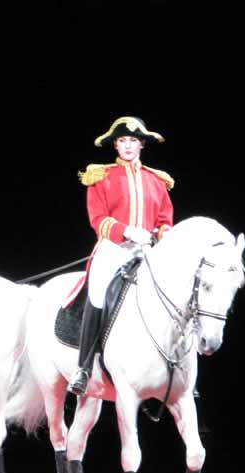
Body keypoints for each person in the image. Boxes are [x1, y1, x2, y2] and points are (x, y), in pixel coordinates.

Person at [67, 116, 175, 396]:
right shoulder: (101, 176)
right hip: (114, 249)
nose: (128, 146)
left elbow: (166, 220)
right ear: (116, 144)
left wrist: (158, 234)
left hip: (147, 251)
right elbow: (98, 219)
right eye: (123, 141)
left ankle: (177, 366)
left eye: (133, 141)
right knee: (98, 292)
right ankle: (83, 367)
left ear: (141, 145)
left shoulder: (156, 180)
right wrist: (126, 231)